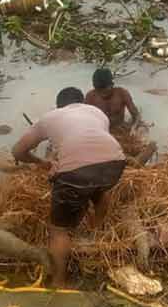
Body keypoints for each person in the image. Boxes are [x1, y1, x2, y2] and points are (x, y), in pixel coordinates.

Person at [11, 87, 126, 286]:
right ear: (82, 102)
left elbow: (17, 151)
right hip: (115, 163)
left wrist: (40, 162)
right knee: (99, 189)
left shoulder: (50, 117)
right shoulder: (96, 112)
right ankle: (95, 230)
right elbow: (92, 146)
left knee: (58, 230)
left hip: (77, 171)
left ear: (59, 106)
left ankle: (59, 280)